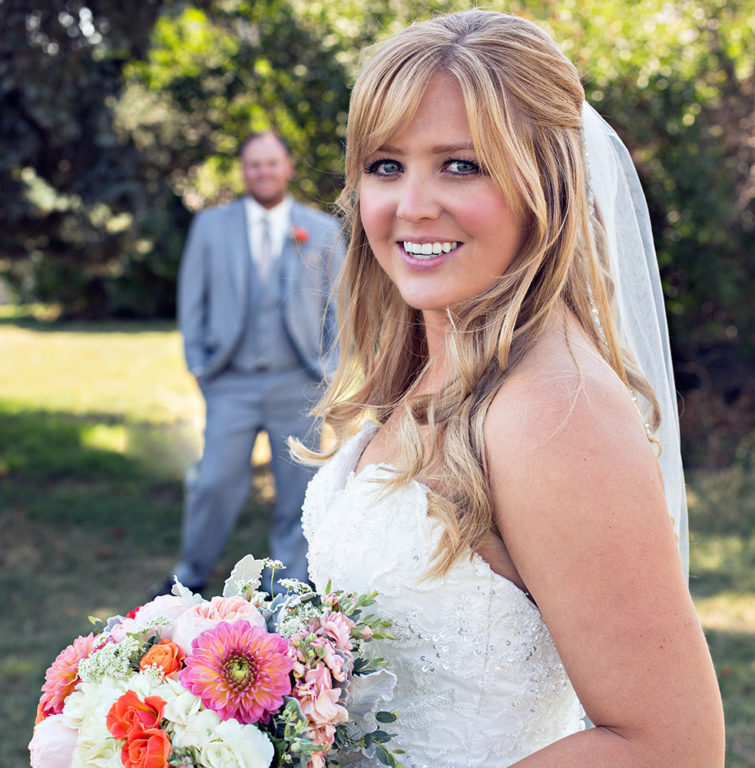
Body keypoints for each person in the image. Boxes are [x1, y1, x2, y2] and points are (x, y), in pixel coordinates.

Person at [298, 10, 724, 767]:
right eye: (386, 165)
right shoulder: (436, 366)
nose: (412, 205)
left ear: (544, 185)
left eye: (461, 165)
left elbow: (670, 746)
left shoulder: (553, 412)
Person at [162, 130, 344, 594]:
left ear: (288, 167)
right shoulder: (211, 226)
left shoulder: (320, 229)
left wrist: (329, 371)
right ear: (244, 171)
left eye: (272, 162)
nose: (263, 172)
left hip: (298, 382)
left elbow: (339, 307)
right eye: (253, 164)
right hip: (230, 381)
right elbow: (193, 300)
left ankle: (291, 589)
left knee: (299, 492)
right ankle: (189, 575)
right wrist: (200, 366)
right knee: (214, 483)